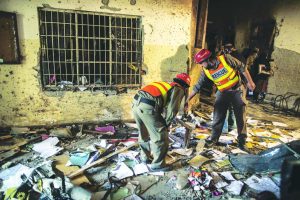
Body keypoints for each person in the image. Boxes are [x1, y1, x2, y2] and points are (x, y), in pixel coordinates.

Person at [185, 49, 255, 151]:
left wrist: (250, 82)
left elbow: (242, 68)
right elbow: (198, 86)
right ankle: (213, 139)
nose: (201, 65)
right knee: (218, 116)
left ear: (208, 60)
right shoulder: (205, 71)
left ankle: (242, 141)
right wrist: (187, 100)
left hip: (237, 90)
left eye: (201, 63)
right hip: (222, 92)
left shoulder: (226, 59)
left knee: (240, 117)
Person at [132, 73, 191, 172]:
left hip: (135, 104)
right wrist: (166, 124)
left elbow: (160, 102)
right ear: (185, 86)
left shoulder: (166, 85)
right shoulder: (179, 88)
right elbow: (173, 109)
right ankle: (158, 165)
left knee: (143, 133)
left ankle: (144, 158)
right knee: (161, 136)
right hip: (148, 108)